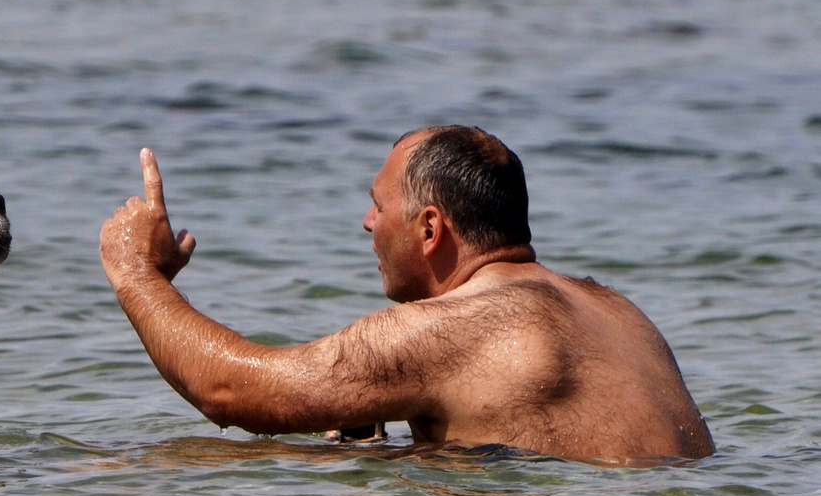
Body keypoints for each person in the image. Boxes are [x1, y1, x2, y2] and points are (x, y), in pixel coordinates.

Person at [98, 126, 714, 463]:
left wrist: (136, 273)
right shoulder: (615, 309)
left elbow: (229, 390)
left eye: (378, 204)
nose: (367, 223)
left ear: (429, 229)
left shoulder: (451, 330)